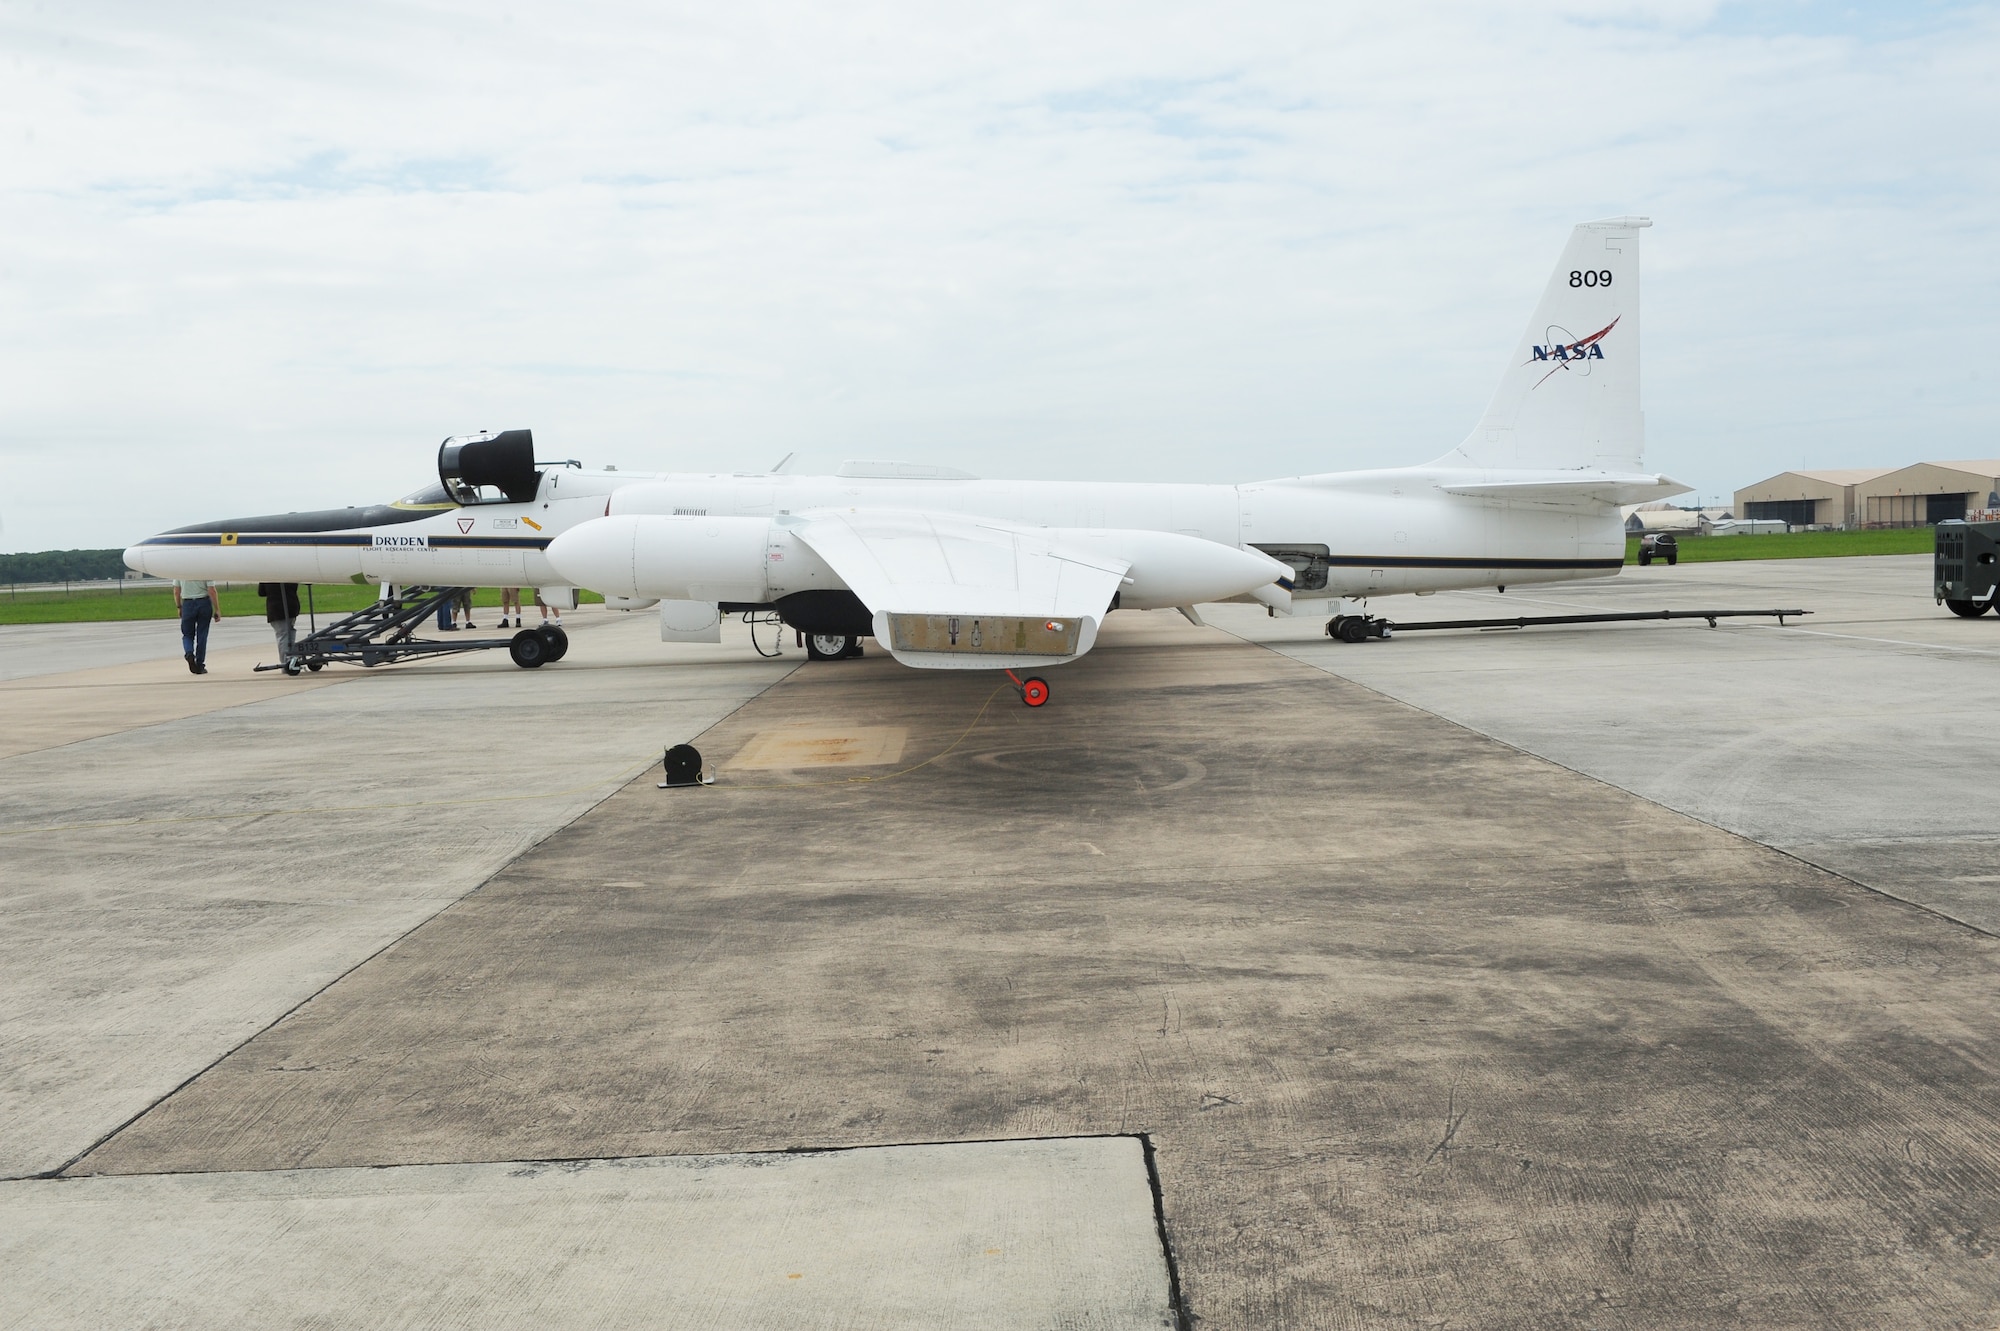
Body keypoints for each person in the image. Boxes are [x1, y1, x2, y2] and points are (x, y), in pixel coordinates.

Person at [173, 578, 222, 674]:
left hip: (188, 603)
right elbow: (211, 590)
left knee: (187, 634)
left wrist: (179, 606)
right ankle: (200, 664)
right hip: (203, 602)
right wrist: (217, 609)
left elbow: (176, 591)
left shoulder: (180, 570)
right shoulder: (204, 569)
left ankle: (189, 652)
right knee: (202, 634)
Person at [257, 582, 301, 663]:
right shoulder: (287, 576)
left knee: (285, 635)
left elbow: (261, 592)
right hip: (288, 607)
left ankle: (288, 661)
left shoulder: (267, 576)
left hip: (275, 609)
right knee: (286, 635)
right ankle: (286, 662)